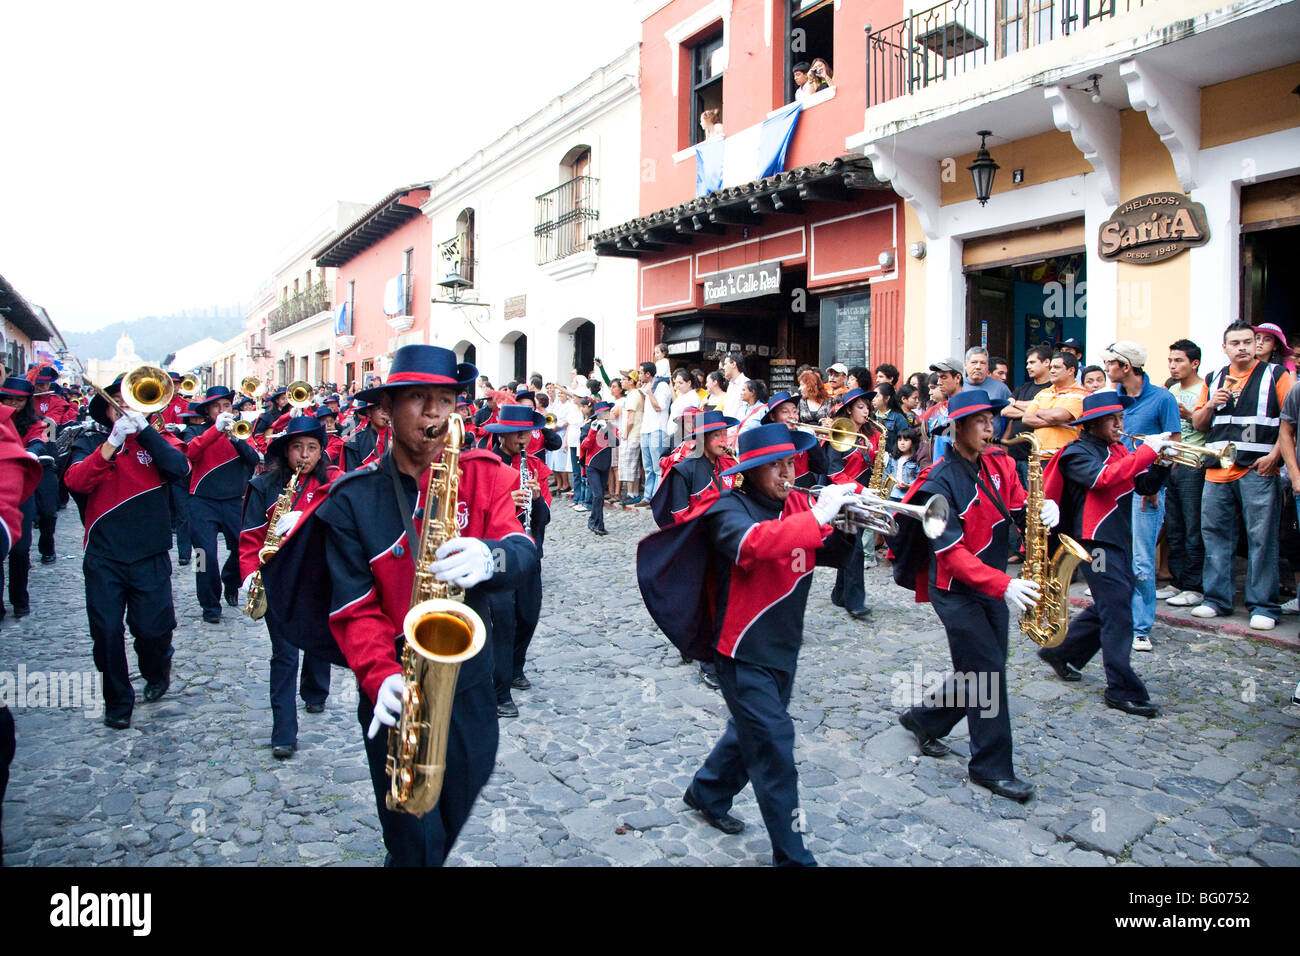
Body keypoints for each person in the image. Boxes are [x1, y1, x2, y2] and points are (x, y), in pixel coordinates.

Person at [312, 345, 536, 866]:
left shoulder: (482, 474)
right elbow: (353, 606)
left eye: (446, 399)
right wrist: (378, 675)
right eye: (419, 398)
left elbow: (523, 552)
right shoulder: (352, 499)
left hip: (470, 680)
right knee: (414, 836)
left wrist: (491, 556)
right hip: (396, 683)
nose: (437, 412)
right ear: (386, 409)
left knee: (449, 811)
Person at [660, 423, 857, 865]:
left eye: (791, 462)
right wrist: (818, 517)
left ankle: (707, 791)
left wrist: (845, 526)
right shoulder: (727, 509)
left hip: (784, 644)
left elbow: (831, 555)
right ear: (752, 471)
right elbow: (755, 545)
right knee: (774, 743)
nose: (789, 472)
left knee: (749, 731)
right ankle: (793, 856)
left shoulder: (797, 504)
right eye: (777, 465)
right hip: (741, 649)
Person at [894, 390, 1046, 801]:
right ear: (957, 427)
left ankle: (925, 720)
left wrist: (1043, 508)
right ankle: (990, 767)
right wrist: (1006, 585)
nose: (989, 427)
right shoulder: (936, 484)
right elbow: (951, 554)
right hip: (956, 590)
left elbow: (1017, 504)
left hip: (992, 582)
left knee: (985, 665)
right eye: (979, 421)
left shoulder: (999, 463)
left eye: (990, 420)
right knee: (988, 673)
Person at [65, 375, 191, 729]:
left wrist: (144, 432)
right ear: (105, 409)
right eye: (117, 403)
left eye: (132, 403)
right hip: (104, 555)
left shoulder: (160, 440)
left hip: (149, 552)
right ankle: (118, 700)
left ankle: (156, 668)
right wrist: (113, 442)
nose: (125, 409)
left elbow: (179, 470)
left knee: (152, 630)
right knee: (105, 633)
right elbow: (75, 482)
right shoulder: (89, 441)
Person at [1039, 392, 1171, 717]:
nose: (1120, 425)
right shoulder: (1076, 453)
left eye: (1121, 419)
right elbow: (1102, 479)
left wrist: (1163, 462)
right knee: (1119, 612)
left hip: (1117, 538)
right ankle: (1120, 688)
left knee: (1112, 603)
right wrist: (1147, 452)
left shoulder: (1119, 449)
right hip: (1093, 542)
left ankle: (1062, 653)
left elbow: (1143, 485)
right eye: (1114, 419)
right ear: (1095, 423)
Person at [237, 416, 339, 757]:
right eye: (298, 448)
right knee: (283, 654)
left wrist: (310, 516)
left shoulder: (334, 481)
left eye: (312, 448)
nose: (305, 456)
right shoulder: (264, 485)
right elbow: (250, 534)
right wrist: (250, 573)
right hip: (277, 577)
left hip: (318, 576)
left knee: (318, 640)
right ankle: (283, 730)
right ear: (286, 451)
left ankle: (316, 691)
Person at [1191, 321, 1294, 630]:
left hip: (1257, 469)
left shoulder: (1277, 375)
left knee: (1262, 539)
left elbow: (1291, 422)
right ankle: (1216, 599)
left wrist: (1274, 457)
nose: (1243, 347)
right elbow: (1198, 424)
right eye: (1235, 343)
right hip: (1217, 471)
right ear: (1225, 348)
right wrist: (1211, 404)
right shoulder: (1213, 378)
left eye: (1248, 342)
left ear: (1256, 345)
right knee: (1215, 536)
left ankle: (1264, 605)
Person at [1103, 341, 1182, 653]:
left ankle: (1140, 628)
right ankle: (1118, 618)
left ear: (1126, 366)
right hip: (1114, 488)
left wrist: (1154, 483)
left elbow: (1174, 445)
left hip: (1145, 489)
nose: (1106, 368)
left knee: (1142, 561)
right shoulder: (1112, 398)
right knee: (1115, 557)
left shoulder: (1162, 398)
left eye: (1111, 363)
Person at [484, 403, 552, 717]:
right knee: (503, 616)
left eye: (526, 433)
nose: (523, 439)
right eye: (517, 434)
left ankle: (515, 667)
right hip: (497, 548)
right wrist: (505, 501)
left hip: (527, 548)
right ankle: (499, 693)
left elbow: (544, 519)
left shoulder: (535, 466)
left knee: (528, 613)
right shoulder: (486, 464)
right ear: (504, 435)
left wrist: (536, 500)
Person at [186, 385, 261, 624]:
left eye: (226, 406)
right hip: (201, 501)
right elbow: (190, 453)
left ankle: (230, 579)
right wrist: (214, 432)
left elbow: (253, 460)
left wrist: (235, 438)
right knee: (203, 556)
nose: (222, 411)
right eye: (216, 407)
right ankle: (209, 605)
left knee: (244, 548)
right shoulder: (194, 432)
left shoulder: (242, 432)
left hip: (233, 500)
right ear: (208, 411)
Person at [1162, 339, 1208, 609]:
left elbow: (1211, 426)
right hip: (1171, 463)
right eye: (1170, 360)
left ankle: (1195, 585)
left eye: (1178, 361)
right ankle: (1177, 581)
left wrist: (1190, 414)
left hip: (1194, 464)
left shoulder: (1205, 388)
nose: (1172, 365)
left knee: (1193, 528)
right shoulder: (1170, 390)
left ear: (1194, 363)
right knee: (1175, 527)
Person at [824, 387, 878, 620]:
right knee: (855, 548)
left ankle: (840, 593)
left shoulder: (873, 433)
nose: (866, 411)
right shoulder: (838, 434)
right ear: (848, 409)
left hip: (865, 495)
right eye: (861, 407)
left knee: (850, 545)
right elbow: (834, 472)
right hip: (846, 495)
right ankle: (855, 601)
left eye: (868, 406)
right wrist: (861, 489)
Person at [0, 378, 42, 620]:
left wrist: (31, 453)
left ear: (27, 403)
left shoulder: (38, 424)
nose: (13, 404)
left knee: (20, 549)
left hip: (22, 488)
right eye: (8, 399)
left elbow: (38, 442)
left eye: (19, 400)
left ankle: (19, 598)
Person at [1000, 351, 1089, 454]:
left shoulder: (1080, 394)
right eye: (1051, 367)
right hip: (1039, 456)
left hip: (1065, 456)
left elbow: (1058, 415)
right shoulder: (1044, 393)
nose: (1052, 371)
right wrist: (1055, 420)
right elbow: (1026, 418)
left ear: (1071, 370)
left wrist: (1038, 412)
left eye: (1057, 367)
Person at [1003, 345, 1053, 489]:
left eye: (1032, 362)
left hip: (1035, 459)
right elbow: (1005, 410)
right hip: (1014, 456)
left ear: (1046, 362)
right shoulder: (1022, 388)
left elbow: (1045, 407)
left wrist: (1016, 403)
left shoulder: (1052, 389)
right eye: (1027, 363)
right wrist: (1032, 410)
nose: (1027, 367)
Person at [579, 402, 614, 536]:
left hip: (605, 465)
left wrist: (606, 429)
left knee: (600, 497)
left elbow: (615, 443)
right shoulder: (588, 426)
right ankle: (596, 523)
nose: (607, 416)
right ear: (598, 415)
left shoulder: (609, 427)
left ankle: (595, 521)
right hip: (592, 466)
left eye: (608, 413)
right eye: (605, 413)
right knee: (598, 495)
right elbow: (584, 445)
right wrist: (593, 431)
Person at [962, 347, 1012, 439]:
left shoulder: (1000, 388)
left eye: (982, 363)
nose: (978, 366)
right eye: (974, 362)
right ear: (965, 364)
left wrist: (1005, 441)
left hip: (991, 445)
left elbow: (1012, 417)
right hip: (964, 445)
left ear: (987, 366)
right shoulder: (958, 387)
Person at [640, 362, 673, 503]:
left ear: (648, 374)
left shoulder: (662, 386)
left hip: (658, 429)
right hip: (646, 429)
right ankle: (648, 496)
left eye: (641, 372)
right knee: (647, 467)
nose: (639, 375)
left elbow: (659, 407)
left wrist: (649, 392)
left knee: (657, 467)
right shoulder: (648, 386)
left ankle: (657, 497)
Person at [925, 358, 966, 463]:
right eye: (938, 377)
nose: (939, 382)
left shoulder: (963, 408)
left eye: (943, 377)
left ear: (957, 378)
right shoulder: (945, 407)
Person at [342, 398, 391, 472]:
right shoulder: (355, 440)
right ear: (369, 413)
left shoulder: (399, 436)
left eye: (387, 408)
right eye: (379, 408)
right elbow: (353, 474)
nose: (385, 412)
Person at [618, 371, 644, 505]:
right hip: (634, 434)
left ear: (631, 381)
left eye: (624, 379)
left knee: (629, 465)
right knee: (633, 465)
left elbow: (631, 419)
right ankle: (633, 493)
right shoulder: (634, 394)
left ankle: (631, 493)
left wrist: (625, 434)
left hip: (632, 435)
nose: (621, 381)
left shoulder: (633, 395)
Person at [668, 368, 701, 446]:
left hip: (682, 437)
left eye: (680, 383)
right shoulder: (681, 395)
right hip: (673, 434)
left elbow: (690, 421)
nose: (677, 385)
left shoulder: (693, 397)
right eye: (676, 383)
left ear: (689, 383)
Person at [888, 428, 920, 501]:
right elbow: (886, 474)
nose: (902, 443)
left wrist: (908, 485)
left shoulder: (916, 459)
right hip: (892, 494)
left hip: (907, 495)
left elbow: (918, 477)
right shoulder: (892, 458)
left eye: (906, 440)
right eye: (899, 440)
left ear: (913, 442)